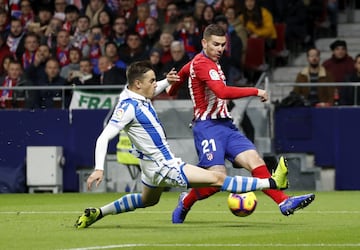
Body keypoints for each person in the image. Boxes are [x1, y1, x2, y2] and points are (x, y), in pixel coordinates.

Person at [74, 60, 289, 229]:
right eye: (151, 81)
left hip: (150, 168)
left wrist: (167, 81)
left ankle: (98, 213)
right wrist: (99, 168)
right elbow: (103, 137)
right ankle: (271, 183)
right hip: (164, 166)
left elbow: (155, 88)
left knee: (146, 200)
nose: (155, 84)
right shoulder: (128, 107)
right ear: (138, 84)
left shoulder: (132, 92)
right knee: (217, 179)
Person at [167, 24, 315, 223]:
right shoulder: (202, 64)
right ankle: (186, 201)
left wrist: (172, 84)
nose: (220, 49)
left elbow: (176, 84)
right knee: (215, 180)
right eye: (215, 44)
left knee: (256, 162)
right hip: (207, 127)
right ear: (204, 43)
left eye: (223, 45)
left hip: (226, 126)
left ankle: (283, 202)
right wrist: (255, 91)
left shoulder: (205, 63)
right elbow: (222, 92)